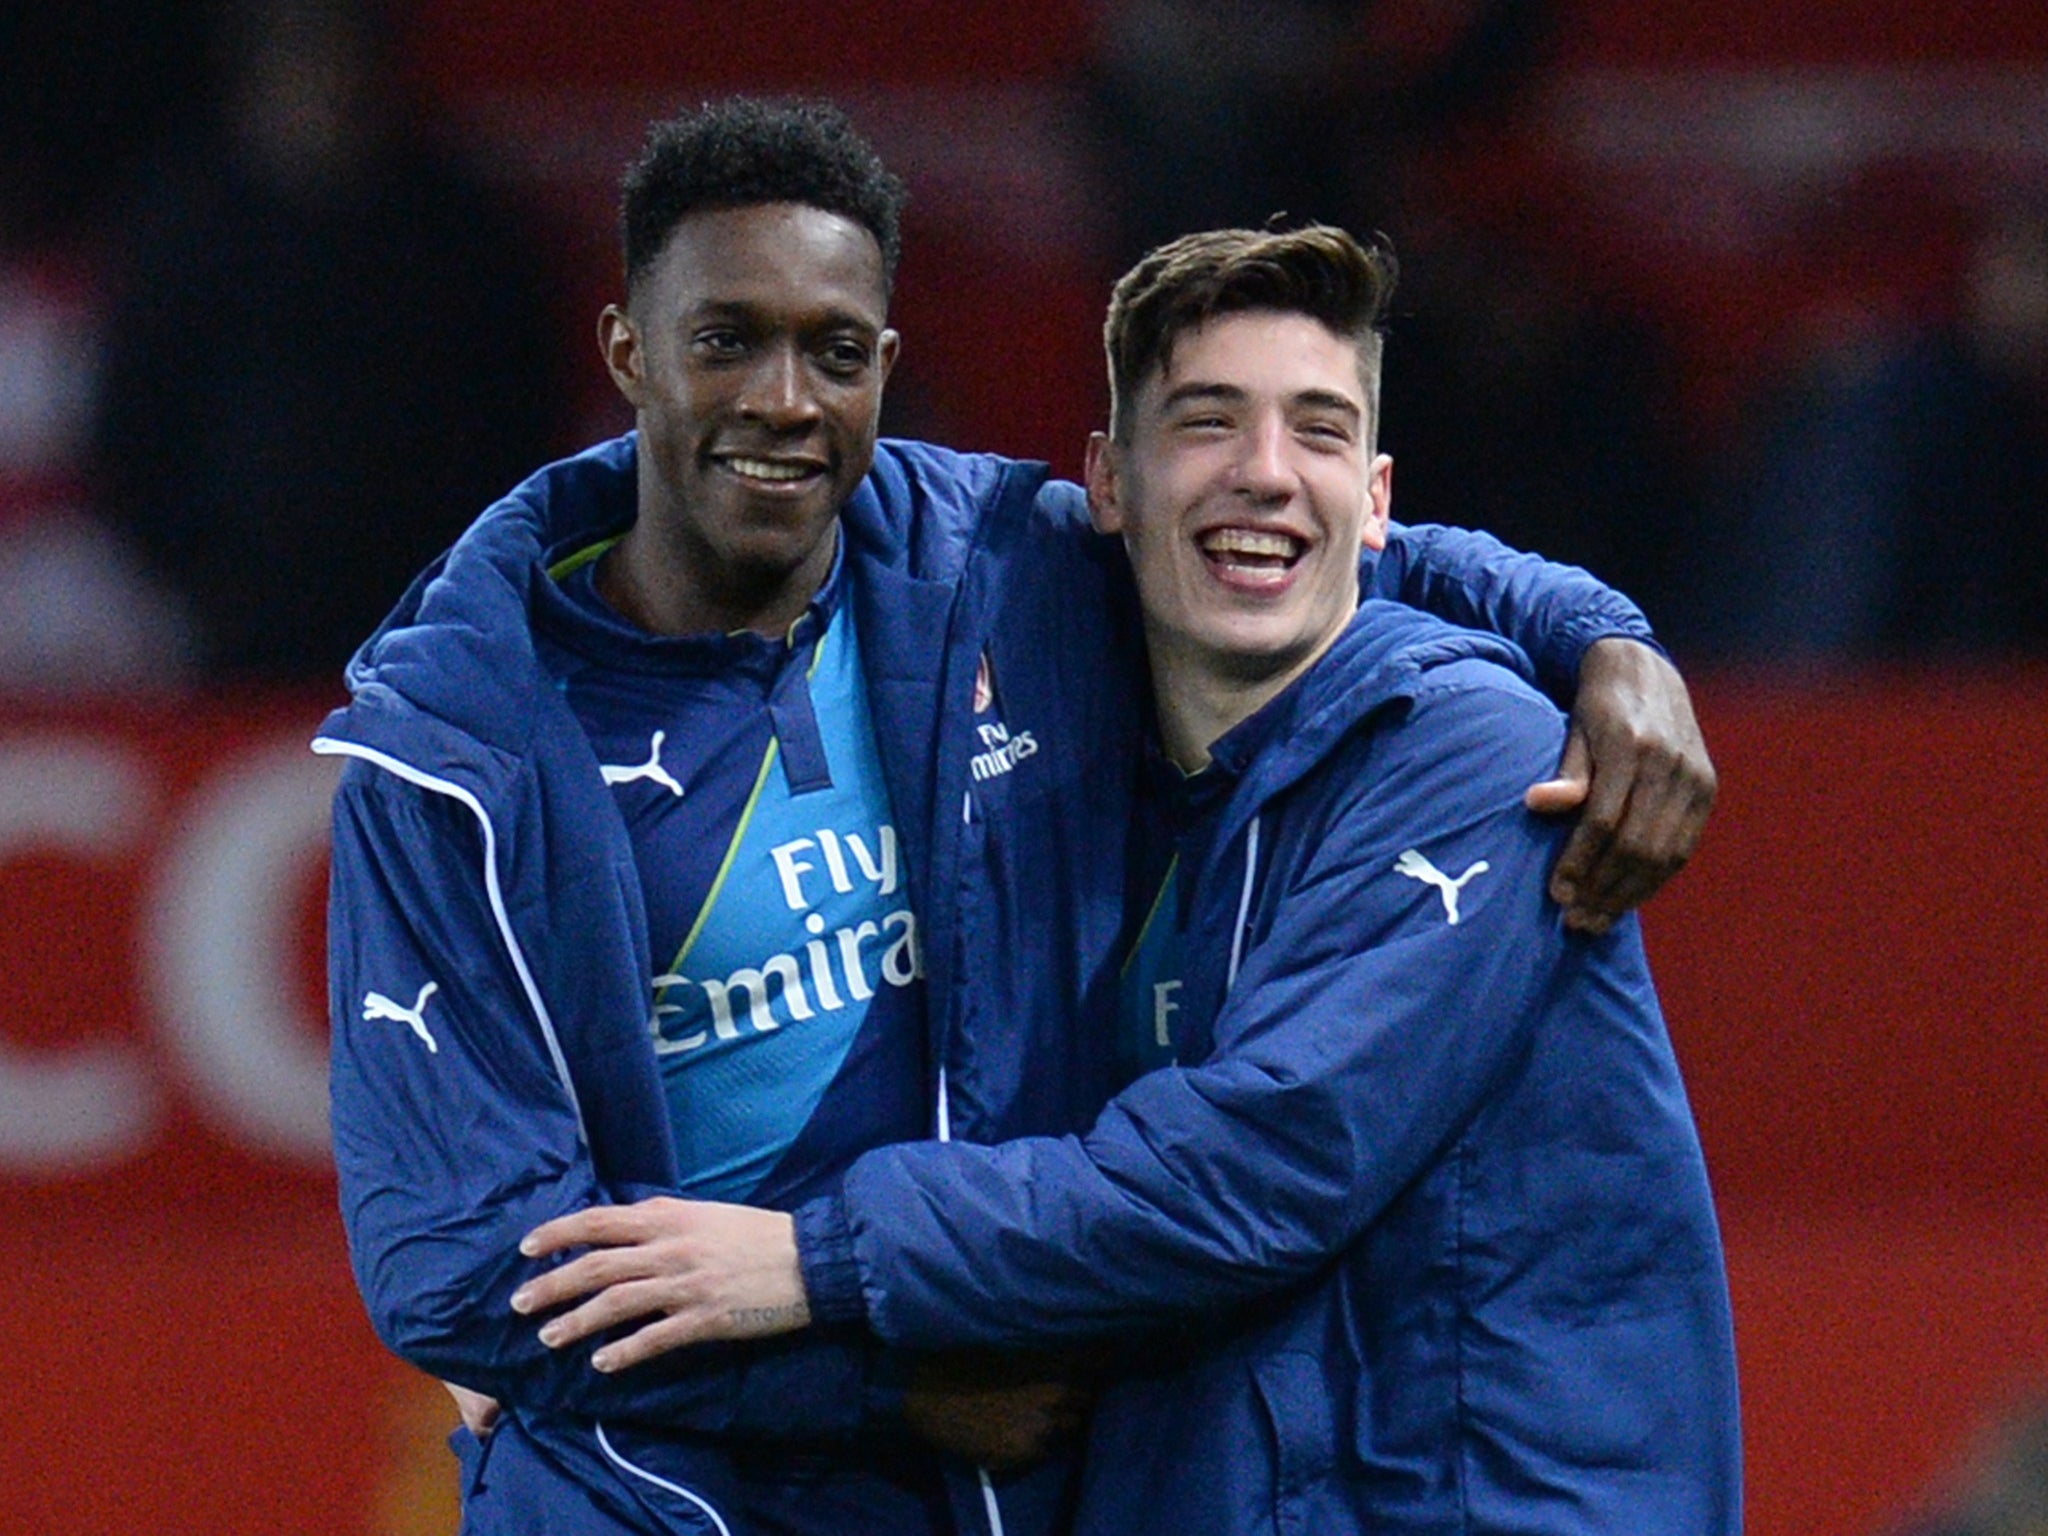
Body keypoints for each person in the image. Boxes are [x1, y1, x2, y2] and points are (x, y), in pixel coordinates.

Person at [319, 98, 1716, 1536]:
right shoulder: (450, 759)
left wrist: (1604, 636)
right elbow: (452, 1273)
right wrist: (875, 1381)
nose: (785, 399)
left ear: (886, 366)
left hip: (986, 1484)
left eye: (835, 350)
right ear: (628, 351)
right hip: (661, 1495)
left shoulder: (989, 569)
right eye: (726, 338)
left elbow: (1283, 536)